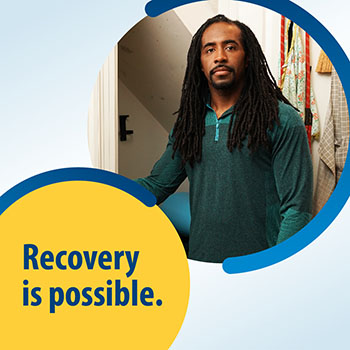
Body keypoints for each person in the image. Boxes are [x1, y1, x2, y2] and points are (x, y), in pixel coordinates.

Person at [136, 15, 313, 263]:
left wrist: (275, 268)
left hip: (258, 267)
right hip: (201, 264)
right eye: (210, 49)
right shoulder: (189, 124)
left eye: (230, 47)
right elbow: (156, 186)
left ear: (248, 57)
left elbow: (297, 209)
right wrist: (104, 194)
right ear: (199, 62)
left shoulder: (282, 119)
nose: (220, 56)